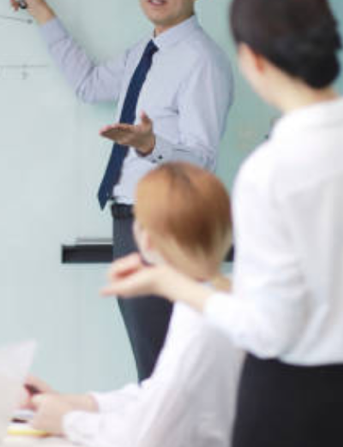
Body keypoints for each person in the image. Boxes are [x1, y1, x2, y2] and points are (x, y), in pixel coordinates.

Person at [104, 0, 343, 447]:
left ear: (252, 59)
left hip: (293, 406)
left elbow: (266, 329)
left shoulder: (272, 171)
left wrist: (170, 281)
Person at [4, 0, 233, 380]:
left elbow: (203, 159)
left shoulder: (201, 60)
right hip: (131, 223)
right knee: (154, 366)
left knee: (163, 371)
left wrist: (151, 145)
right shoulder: (144, 54)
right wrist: (41, 8)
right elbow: (88, 84)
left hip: (164, 228)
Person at [22, 162, 241, 447]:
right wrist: (75, 403)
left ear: (146, 239)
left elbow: (146, 436)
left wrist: (68, 422)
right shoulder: (224, 299)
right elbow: (159, 394)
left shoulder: (197, 320)